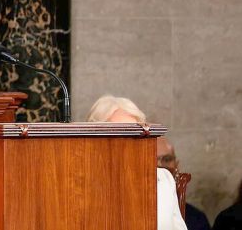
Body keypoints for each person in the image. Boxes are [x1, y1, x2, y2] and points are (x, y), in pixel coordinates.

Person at [87, 95, 188, 230]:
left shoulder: (163, 179)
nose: (130, 142)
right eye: (121, 134)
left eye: (136, 134)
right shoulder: (82, 184)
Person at [157, 137, 211, 230]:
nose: (160, 166)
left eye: (166, 159)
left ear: (177, 165)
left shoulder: (196, 219)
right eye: (151, 159)